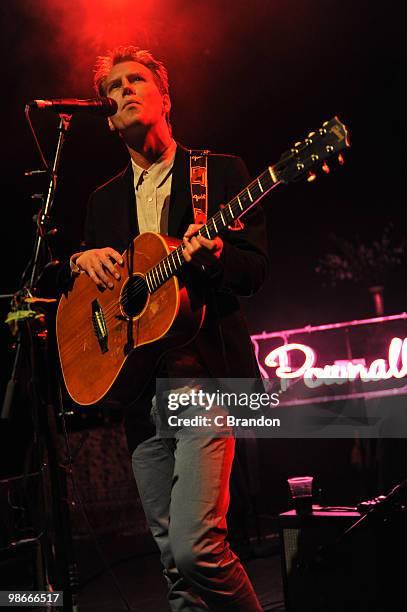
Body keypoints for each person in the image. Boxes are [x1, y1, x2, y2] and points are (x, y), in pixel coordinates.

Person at [68, 46, 268, 611]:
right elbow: (88, 295)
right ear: (108, 116)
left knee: (196, 550)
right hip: (138, 397)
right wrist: (82, 262)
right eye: (113, 88)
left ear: (164, 97)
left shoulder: (220, 172)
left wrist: (215, 255)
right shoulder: (102, 202)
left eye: (135, 80)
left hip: (205, 381)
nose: (123, 90)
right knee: (172, 569)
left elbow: (254, 270)